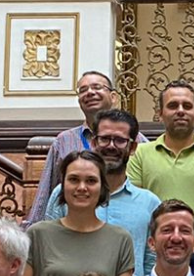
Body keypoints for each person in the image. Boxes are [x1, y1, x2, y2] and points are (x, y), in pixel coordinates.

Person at [40, 109, 161, 276]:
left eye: (120, 140)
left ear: (132, 147)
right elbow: (47, 251)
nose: (111, 146)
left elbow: (152, 266)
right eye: (104, 139)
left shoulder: (149, 203)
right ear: (94, 143)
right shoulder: (66, 193)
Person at [28, 150, 136, 276]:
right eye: (73, 179)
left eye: (91, 181)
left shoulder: (120, 239)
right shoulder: (37, 235)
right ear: (62, 185)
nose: (82, 187)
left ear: (102, 187)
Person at [33, 71, 142, 220]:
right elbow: (45, 193)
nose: (90, 92)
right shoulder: (63, 141)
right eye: (83, 90)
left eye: (97, 87)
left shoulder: (137, 140)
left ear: (114, 97)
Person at [126, 81, 194, 214]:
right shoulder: (139, 154)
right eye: (173, 105)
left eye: (187, 106)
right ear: (160, 114)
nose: (180, 111)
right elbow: (134, 204)